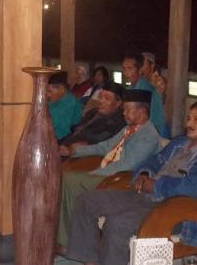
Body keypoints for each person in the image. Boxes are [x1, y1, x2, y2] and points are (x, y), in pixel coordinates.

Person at [64, 100, 197, 265]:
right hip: (147, 196)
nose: (189, 122)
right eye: (189, 118)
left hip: (177, 211)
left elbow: (194, 188)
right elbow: (154, 160)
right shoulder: (180, 143)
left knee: (119, 221)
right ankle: (91, 261)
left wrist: (156, 185)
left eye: (196, 119)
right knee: (87, 200)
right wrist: (144, 174)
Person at [56, 89, 161, 249]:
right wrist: (75, 151)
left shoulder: (148, 136)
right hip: (107, 172)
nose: (124, 113)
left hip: (120, 181)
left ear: (142, 112)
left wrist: (94, 174)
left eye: (128, 110)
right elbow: (104, 147)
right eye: (124, 109)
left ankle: (67, 240)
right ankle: (66, 235)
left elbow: (127, 166)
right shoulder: (129, 129)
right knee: (66, 176)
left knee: (70, 180)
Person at [60, 82, 126, 148]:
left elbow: (102, 143)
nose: (101, 101)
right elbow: (77, 129)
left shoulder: (117, 124)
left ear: (118, 103)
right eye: (100, 97)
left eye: (107, 98)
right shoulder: (93, 112)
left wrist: (87, 145)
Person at [123, 52, 167, 137]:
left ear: (140, 70)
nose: (126, 73)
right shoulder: (130, 88)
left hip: (153, 134)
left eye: (130, 68)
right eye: (124, 69)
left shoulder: (145, 89)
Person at [47, 71, 83, 141]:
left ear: (62, 89)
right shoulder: (55, 101)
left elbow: (62, 133)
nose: (47, 95)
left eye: (50, 91)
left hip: (60, 140)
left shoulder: (70, 103)